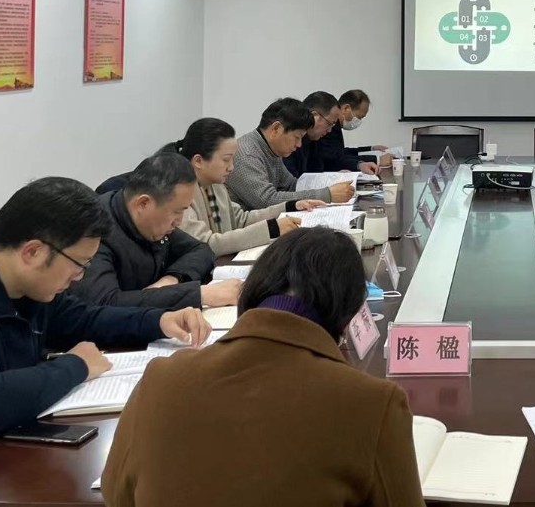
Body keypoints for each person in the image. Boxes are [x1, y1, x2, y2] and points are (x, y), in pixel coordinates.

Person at [0, 177, 211, 483]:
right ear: (33, 251)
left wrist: (158, 321)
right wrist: (75, 366)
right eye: (79, 264)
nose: (79, 277)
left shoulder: (20, 282)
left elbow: (82, 319)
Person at [102, 228, 424, 507]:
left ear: (253, 288)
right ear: (349, 316)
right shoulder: (372, 404)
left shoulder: (160, 380)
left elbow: (116, 494)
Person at [68, 154, 228, 311]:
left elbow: (201, 250)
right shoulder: (94, 230)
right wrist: (198, 295)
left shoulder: (153, 223)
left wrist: (170, 280)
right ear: (143, 203)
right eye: (176, 212)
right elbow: (105, 304)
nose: (179, 221)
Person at [167, 118, 327, 257]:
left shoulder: (216, 185)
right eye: (226, 160)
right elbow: (206, 243)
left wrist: (290, 207)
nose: (231, 167)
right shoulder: (179, 194)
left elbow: (241, 220)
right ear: (198, 161)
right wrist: (271, 229)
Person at [226, 98, 355, 209]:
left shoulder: (271, 149)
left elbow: (292, 185)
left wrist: (332, 183)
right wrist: (327, 195)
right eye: (297, 137)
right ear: (276, 129)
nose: (299, 144)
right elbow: (267, 201)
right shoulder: (247, 154)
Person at [316, 89, 390, 174]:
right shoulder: (329, 127)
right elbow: (334, 158)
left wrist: (371, 148)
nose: (359, 121)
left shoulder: (335, 126)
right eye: (359, 117)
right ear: (346, 108)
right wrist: (376, 160)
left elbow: (341, 152)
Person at [282, 91, 344, 178]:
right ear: (314, 116)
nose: (330, 130)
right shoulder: (288, 139)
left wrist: (334, 177)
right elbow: (291, 182)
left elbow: (317, 172)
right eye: (329, 123)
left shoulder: (314, 140)